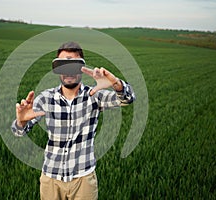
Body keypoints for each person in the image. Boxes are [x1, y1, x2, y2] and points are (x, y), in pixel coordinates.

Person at [11, 42, 136, 200]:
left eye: (74, 66)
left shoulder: (94, 95)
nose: (68, 72)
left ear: (82, 69)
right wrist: (21, 122)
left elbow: (128, 98)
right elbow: (17, 131)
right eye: (63, 66)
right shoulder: (45, 98)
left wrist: (116, 84)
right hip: (51, 179)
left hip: (83, 180)